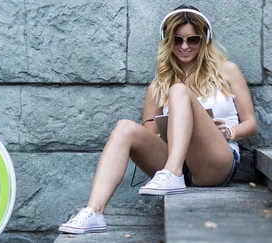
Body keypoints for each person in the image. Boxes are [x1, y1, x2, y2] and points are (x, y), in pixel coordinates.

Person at [59, 4, 257, 234]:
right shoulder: (158, 84)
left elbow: (251, 123)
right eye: (177, 40)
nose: (184, 46)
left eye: (192, 40)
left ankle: (172, 174)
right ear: (167, 41)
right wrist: (165, 127)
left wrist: (229, 132)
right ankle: (94, 211)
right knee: (125, 127)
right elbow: (150, 134)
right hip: (173, 161)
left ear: (204, 40)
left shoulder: (227, 71)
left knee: (179, 91)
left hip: (215, 162)